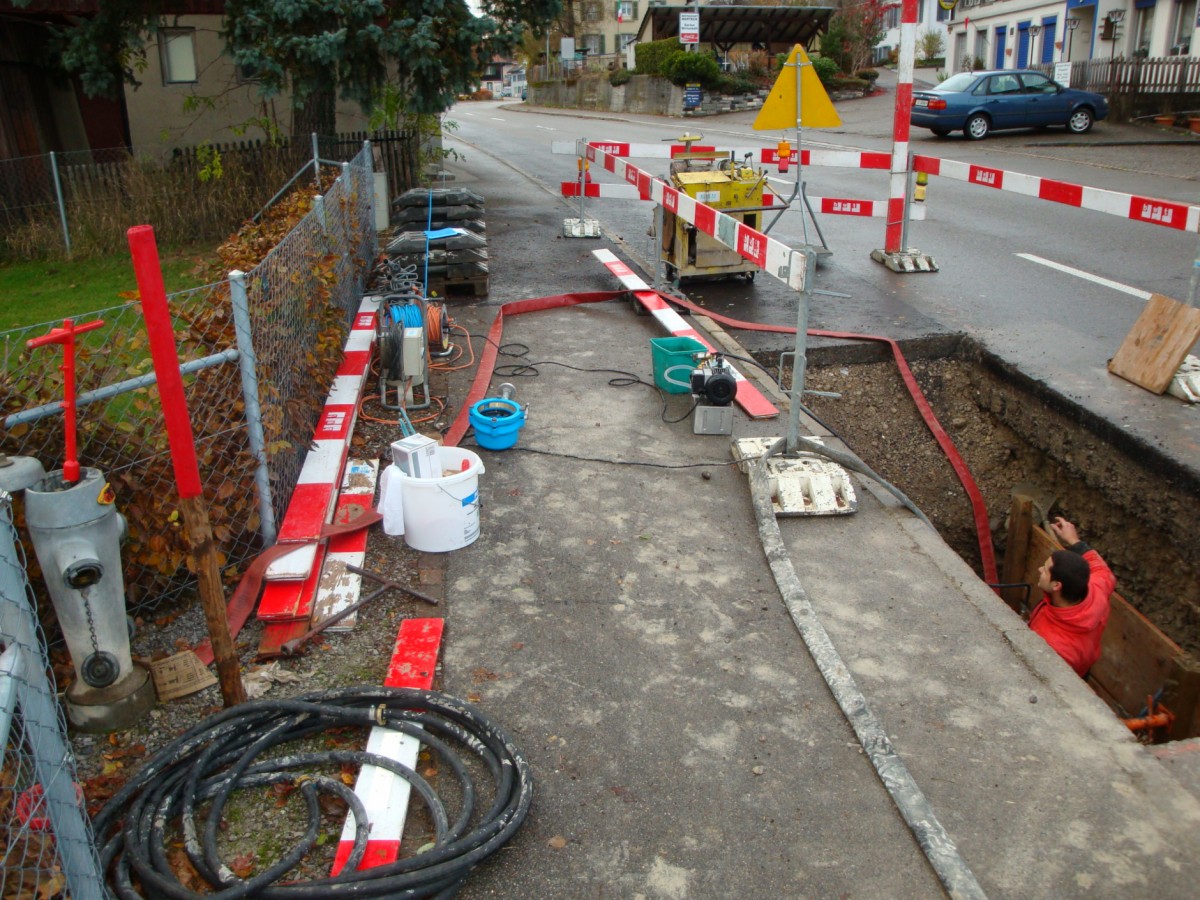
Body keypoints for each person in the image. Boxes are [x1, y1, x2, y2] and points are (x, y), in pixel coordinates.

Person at [1027, 516, 1116, 677]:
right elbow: (1102, 570)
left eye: (1046, 570)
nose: (1040, 569)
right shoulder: (1097, 587)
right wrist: (1073, 540)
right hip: (1083, 663)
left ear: (1056, 586)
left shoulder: (1053, 645)